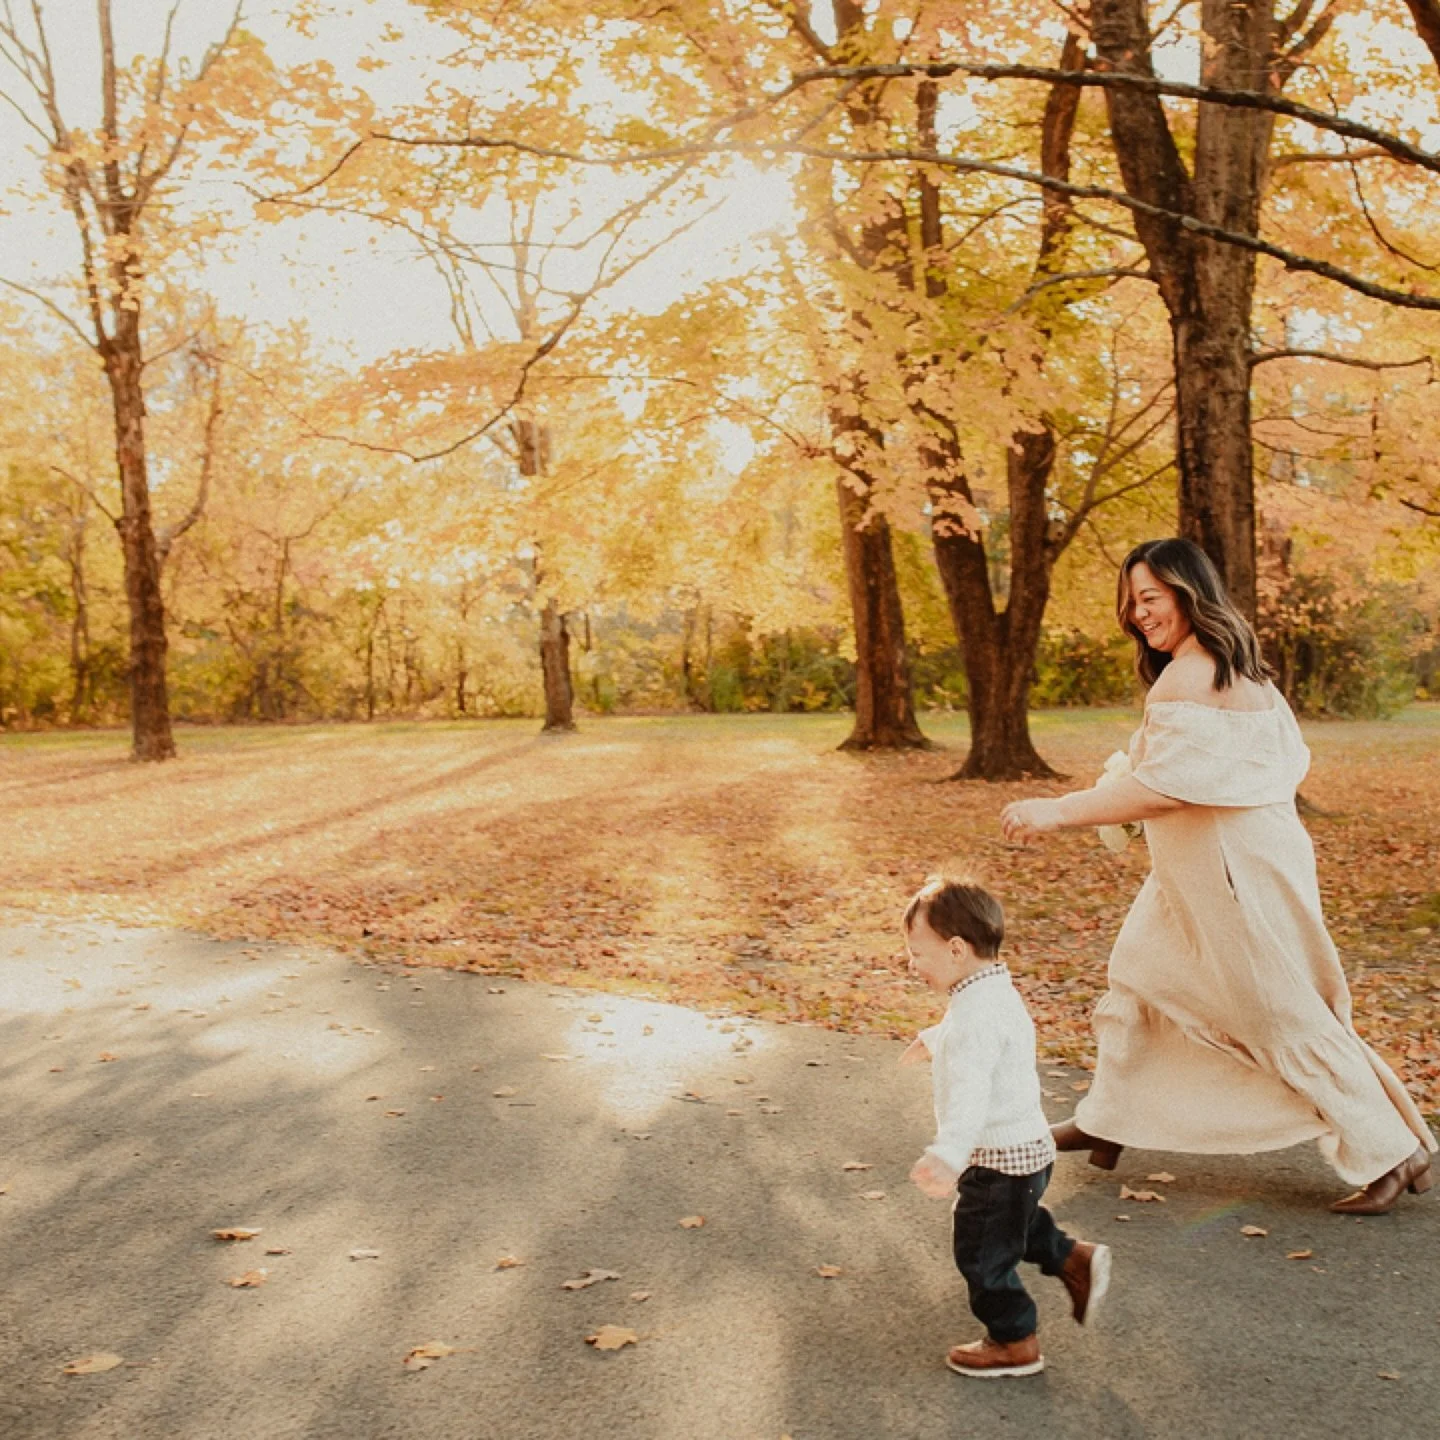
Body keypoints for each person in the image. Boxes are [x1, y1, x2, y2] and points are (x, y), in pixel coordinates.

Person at [1000, 537, 1436, 1215]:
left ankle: (1393, 1150)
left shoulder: (1190, 676)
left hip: (1228, 876)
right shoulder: (1245, 673)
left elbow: (1164, 789)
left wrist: (1056, 810)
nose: (1139, 614)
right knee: (1140, 978)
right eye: (1132, 602)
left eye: (1151, 597)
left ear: (1189, 591)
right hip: (1216, 866)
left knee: (1278, 1011)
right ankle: (1108, 1120)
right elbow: (1222, 776)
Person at [902, 875, 1111, 1379]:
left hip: (996, 1160)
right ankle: (1073, 1259)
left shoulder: (974, 1016)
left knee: (979, 1250)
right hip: (1027, 1152)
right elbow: (987, 1041)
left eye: (917, 953)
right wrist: (935, 1038)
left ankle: (1014, 1341)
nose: (911, 964)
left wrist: (948, 1156)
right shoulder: (993, 991)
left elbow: (970, 1096)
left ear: (956, 949)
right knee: (1015, 1222)